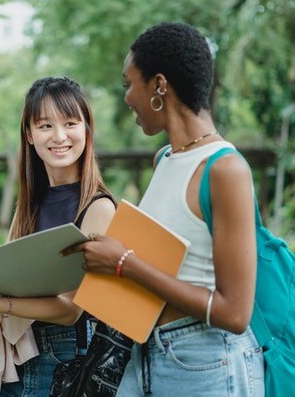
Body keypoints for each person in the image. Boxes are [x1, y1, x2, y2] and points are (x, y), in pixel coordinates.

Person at [63, 22, 265, 396]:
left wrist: (124, 263)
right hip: (147, 352)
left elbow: (235, 314)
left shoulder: (225, 169)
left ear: (159, 85)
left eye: (128, 83)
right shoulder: (166, 159)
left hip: (206, 362)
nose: (126, 97)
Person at [0, 76, 116, 397]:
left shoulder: (99, 207)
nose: (59, 136)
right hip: (17, 348)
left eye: (70, 122)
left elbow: (71, 309)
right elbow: (21, 277)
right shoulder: (30, 202)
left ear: (87, 128)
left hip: (63, 356)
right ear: (29, 134)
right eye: (45, 126)